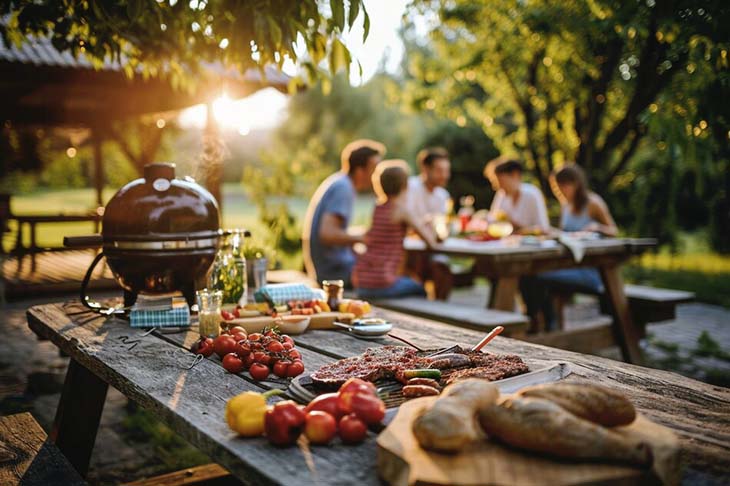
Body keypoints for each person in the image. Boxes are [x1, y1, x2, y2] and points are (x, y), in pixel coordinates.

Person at [524, 165, 619, 330]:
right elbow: (565, 234)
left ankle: (547, 325)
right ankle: (541, 323)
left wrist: (596, 227)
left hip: (589, 270)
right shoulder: (566, 206)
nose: (560, 191)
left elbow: (613, 231)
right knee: (528, 274)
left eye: (563, 186)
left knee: (534, 277)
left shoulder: (593, 203)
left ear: (575, 184)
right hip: (567, 265)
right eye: (556, 188)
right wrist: (551, 233)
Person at [302, 139, 385, 286]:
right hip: (334, 272)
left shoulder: (340, 182)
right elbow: (327, 234)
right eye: (374, 169)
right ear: (360, 171)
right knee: (398, 279)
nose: (378, 175)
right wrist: (364, 238)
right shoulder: (343, 188)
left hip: (332, 267)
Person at [353, 160, 439, 299]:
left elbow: (388, 232)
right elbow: (430, 242)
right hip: (383, 284)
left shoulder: (378, 209)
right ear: (405, 185)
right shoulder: (401, 211)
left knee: (408, 280)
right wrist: (430, 226)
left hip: (362, 282)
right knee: (421, 289)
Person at [405, 147, 454, 300]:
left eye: (446, 171)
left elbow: (443, 230)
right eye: (440, 170)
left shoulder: (443, 196)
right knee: (417, 263)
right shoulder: (410, 187)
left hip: (431, 249)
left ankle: (439, 309)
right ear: (425, 169)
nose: (444, 176)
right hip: (409, 251)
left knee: (442, 268)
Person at [484, 157, 550, 234]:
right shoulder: (501, 195)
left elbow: (543, 229)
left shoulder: (532, 194)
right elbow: (492, 222)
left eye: (500, 182)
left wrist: (514, 225)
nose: (497, 187)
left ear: (515, 175)